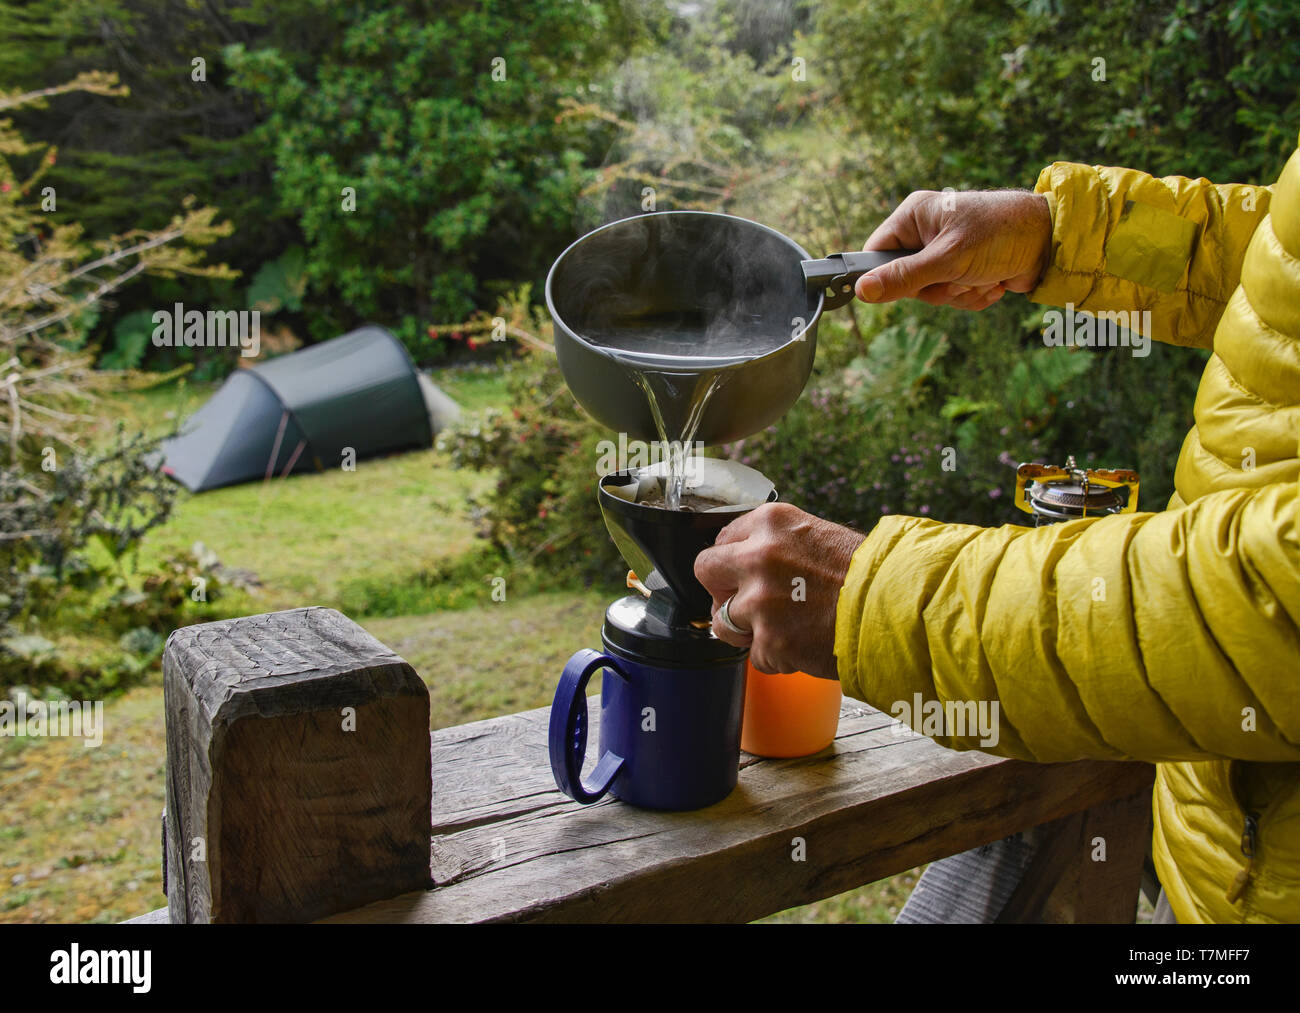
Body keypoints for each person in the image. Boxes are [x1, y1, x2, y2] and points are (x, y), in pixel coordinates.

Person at [694, 138, 1300, 924]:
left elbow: (1276, 607)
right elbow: (1278, 263)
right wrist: (1065, 234)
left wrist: (877, 598)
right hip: (1224, 852)